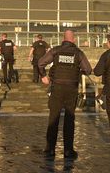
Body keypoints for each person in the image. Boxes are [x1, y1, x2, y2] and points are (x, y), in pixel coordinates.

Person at [37, 30, 92, 159]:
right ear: (73, 40)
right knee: (69, 120)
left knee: (53, 118)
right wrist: (79, 72)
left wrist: (43, 76)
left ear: (63, 39)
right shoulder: (78, 53)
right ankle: (68, 150)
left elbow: (40, 63)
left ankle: (50, 149)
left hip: (57, 88)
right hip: (71, 90)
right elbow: (88, 69)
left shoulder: (56, 51)